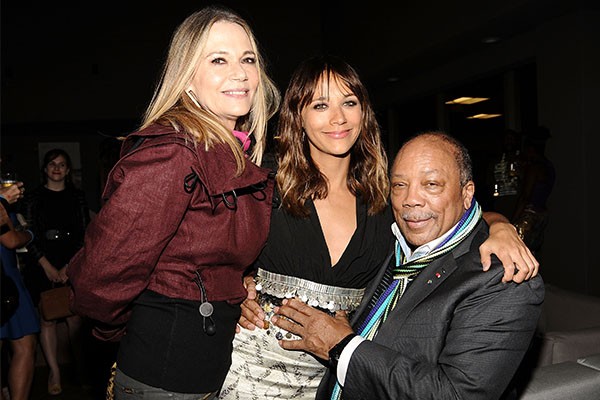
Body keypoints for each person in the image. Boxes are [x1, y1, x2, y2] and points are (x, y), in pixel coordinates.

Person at [219, 56, 539, 399]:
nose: (338, 118)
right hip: (253, 370)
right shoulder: (264, 180)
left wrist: (501, 227)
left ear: (364, 112)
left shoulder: (385, 198)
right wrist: (233, 290)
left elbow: (455, 212)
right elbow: (206, 248)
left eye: (349, 103)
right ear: (298, 115)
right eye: (321, 104)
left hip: (340, 376)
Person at [66, 5, 280, 400]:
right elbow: (100, 279)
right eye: (219, 59)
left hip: (205, 372)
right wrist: (144, 324)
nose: (240, 73)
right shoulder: (173, 154)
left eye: (248, 59)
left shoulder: (231, 153)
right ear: (187, 80)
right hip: (164, 377)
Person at [272, 131, 544, 400]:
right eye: (399, 185)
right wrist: (247, 285)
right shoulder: (394, 245)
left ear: (466, 193)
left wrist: (342, 347)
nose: (410, 200)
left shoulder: (503, 278)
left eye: (431, 185)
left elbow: (456, 395)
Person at [1, 179, 39, 400]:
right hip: (5, 279)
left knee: (25, 344)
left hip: (9, 275)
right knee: (24, 347)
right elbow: (11, 240)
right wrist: (30, 233)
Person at [512, 126, 555, 253]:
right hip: (541, 213)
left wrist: (512, 220)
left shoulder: (534, 168)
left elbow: (526, 196)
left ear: (530, 149)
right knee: (532, 252)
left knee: (519, 252)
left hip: (529, 216)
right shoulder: (548, 165)